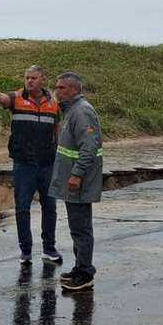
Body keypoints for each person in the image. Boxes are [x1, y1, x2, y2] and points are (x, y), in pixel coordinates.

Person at [0, 66, 63, 265]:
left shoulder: (53, 104)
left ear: (42, 80)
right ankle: (26, 251)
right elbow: (2, 98)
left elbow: (58, 132)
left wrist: (60, 159)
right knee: (22, 208)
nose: (29, 81)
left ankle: (49, 248)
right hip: (24, 164)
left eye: (33, 78)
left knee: (50, 207)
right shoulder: (16, 98)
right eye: (27, 78)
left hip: (47, 164)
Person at [48, 71, 103, 291]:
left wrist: (77, 175)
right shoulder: (71, 111)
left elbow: (89, 148)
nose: (57, 91)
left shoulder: (82, 112)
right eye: (56, 87)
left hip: (79, 181)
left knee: (81, 229)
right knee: (76, 228)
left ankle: (86, 273)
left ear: (74, 90)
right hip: (73, 181)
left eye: (61, 88)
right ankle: (80, 267)